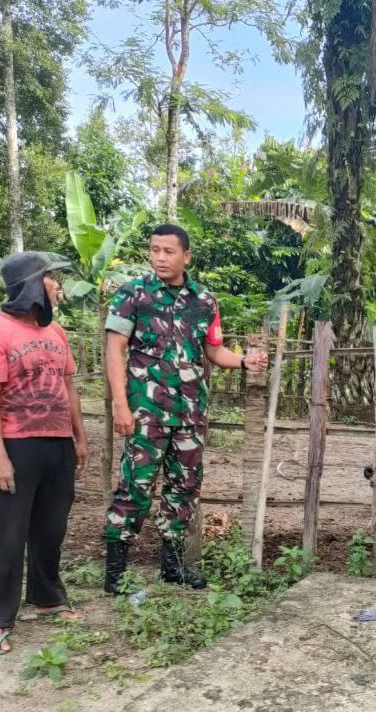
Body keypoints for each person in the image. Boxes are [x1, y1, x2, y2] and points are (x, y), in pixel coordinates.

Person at [102, 224, 267, 594]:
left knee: (185, 487)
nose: (160, 257)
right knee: (135, 486)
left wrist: (244, 362)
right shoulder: (133, 294)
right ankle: (116, 574)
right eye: (154, 250)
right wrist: (121, 405)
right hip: (146, 412)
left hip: (190, 413)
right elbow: (114, 350)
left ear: (186, 256)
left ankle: (172, 567)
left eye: (169, 251)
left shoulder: (204, 301)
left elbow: (214, 351)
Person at [0, 251, 89, 655]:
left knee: (50, 529)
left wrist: (79, 438)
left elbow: (69, 388)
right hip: (15, 445)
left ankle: (47, 596)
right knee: (5, 535)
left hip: (57, 445)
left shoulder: (56, 333)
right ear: (33, 285)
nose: (57, 285)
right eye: (52, 278)